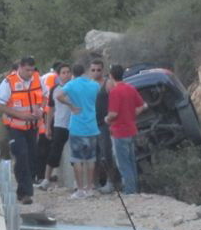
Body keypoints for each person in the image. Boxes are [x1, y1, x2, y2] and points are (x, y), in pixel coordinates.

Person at [0, 56, 44, 204]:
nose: (30, 73)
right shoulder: (8, 82)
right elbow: (0, 105)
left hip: (32, 126)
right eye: (27, 70)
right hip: (15, 126)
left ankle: (22, 189)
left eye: (32, 70)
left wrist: (40, 109)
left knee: (31, 157)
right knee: (21, 155)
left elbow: (45, 95)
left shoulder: (37, 79)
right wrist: (21, 115)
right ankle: (26, 193)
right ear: (20, 68)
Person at [58, 62, 101, 198]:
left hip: (77, 126)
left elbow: (58, 96)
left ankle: (80, 189)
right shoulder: (94, 85)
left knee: (77, 159)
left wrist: (71, 105)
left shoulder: (71, 85)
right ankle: (90, 188)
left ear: (73, 73)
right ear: (84, 72)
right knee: (91, 159)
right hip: (92, 126)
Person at [105, 64, 148, 194]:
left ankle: (130, 190)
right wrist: (133, 113)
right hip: (131, 130)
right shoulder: (130, 88)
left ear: (111, 76)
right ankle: (134, 188)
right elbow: (144, 105)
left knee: (123, 163)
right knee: (131, 161)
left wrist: (106, 119)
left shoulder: (114, 92)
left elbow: (114, 114)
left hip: (119, 131)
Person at [39, 63, 72, 190]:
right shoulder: (54, 89)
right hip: (59, 124)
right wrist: (47, 127)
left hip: (75, 123)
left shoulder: (74, 87)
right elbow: (50, 109)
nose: (66, 75)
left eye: (68, 72)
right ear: (58, 75)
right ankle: (47, 178)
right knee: (54, 151)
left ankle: (75, 181)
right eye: (63, 72)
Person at [90, 59, 120, 194]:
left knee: (106, 153)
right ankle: (94, 183)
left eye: (98, 70)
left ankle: (111, 182)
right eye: (93, 70)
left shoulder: (108, 84)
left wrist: (111, 120)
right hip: (91, 124)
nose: (96, 72)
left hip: (104, 124)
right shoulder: (89, 85)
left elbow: (115, 102)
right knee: (93, 155)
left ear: (103, 70)